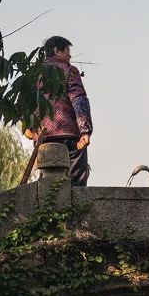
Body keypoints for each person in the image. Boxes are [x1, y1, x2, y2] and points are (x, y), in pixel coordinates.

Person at [31, 35, 93, 185]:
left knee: (48, 180)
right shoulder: (69, 70)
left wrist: (28, 127)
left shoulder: (33, 73)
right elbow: (78, 98)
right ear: (56, 51)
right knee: (76, 181)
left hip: (43, 136)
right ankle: (75, 208)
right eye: (66, 51)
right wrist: (85, 130)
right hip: (69, 135)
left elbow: (26, 101)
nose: (70, 55)